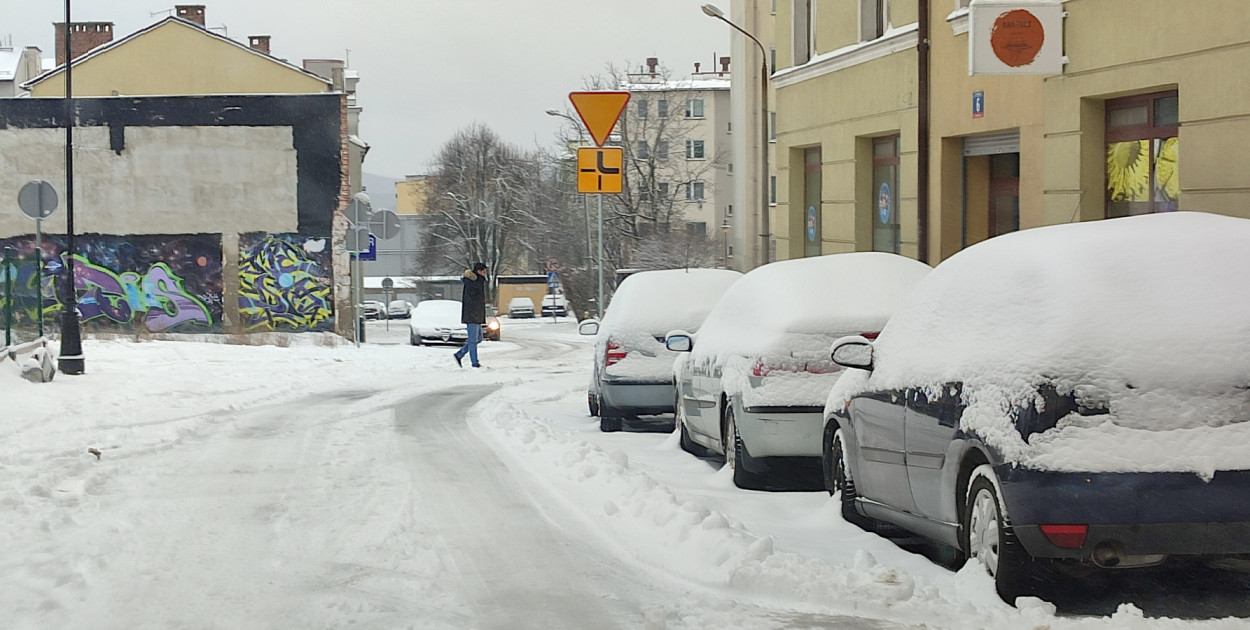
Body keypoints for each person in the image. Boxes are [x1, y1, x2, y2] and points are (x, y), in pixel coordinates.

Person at [454, 262, 488, 368]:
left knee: (478, 339)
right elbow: (472, 300)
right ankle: (474, 363)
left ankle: (459, 354)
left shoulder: (478, 282)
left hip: (476, 315)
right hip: (472, 315)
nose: (485, 274)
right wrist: (475, 313)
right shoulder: (472, 283)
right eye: (484, 272)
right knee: (472, 340)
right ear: (478, 271)